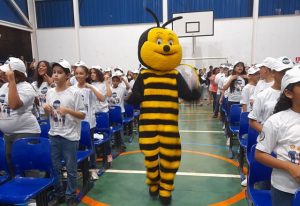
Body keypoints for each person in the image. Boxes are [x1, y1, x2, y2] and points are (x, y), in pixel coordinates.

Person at [255, 65, 300, 206]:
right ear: (288, 93)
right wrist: (290, 167)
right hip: (286, 189)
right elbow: (260, 154)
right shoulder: (276, 121)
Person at [43, 59, 86, 206]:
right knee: (55, 167)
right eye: (54, 72)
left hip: (70, 136)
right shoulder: (49, 92)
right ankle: (59, 193)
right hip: (54, 134)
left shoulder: (74, 93)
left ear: (67, 76)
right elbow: (47, 115)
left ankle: (70, 195)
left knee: (71, 168)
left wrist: (67, 110)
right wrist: (45, 110)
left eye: (60, 72)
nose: (55, 75)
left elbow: (82, 115)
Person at [0, 57, 41, 175]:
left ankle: (35, 191)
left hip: (26, 131)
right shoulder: (4, 87)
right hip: (8, 134)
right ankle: (15, 186)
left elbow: (14, 105)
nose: (2, 74)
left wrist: (12, 81)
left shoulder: (26, 87)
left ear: (15, 74)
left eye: (5, 72)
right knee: (9, 163)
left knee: (26, 165)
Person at [73, 65, 105, 180]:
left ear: (86, 75)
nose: (78, 75)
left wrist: (91, 87)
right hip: (76, 123)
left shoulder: (90, 88)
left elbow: (102, 98)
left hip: (89, 124)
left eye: (81, 73)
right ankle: (80, 169)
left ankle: (92, 169)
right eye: (76, 73)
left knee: (90, 147)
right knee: (77, 148)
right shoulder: (73, 88)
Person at [249, 57, 293, 132]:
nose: (286, 75)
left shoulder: (295, 94)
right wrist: (269, 134)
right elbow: (253, 121)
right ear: (273, 73)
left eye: (289, 72)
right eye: (282, 72)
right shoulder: (263, 95)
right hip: (268, 140)